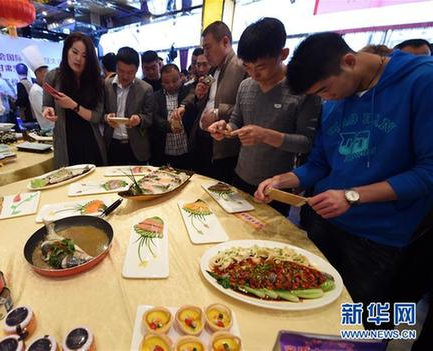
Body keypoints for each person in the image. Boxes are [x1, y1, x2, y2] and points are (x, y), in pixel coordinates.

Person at [254, 32, 433, 332]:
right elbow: (321, 164)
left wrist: (352, 196)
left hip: (376, 238)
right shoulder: (333, 101)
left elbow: (427, 173)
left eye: (325, 90)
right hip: (322, 223)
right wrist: (282, 180)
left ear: (348, 61)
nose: (325, 99)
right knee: (307, 314)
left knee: (354, 328)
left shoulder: (421, 81)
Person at [208, 18, 320, 216]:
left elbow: (306, 143)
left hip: (276, 185)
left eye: (260, 67)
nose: (253, 74)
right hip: (241, 176)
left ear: (283, 54)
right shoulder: (246, 86)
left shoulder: (303, 90)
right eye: (248, 67)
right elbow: (236, 121)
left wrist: (265, 135)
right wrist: (226, 129)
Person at [174, 21, 246, 182]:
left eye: (208, 47)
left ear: (225, 42)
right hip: (201, 139)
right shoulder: (213, 70)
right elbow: (195, 92)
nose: (205, 53)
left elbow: (247, 109)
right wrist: (188, 102)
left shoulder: (242, 67)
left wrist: (218, 112)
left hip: (223, 146)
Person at [43, 32, 107, 168]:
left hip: (91, 141)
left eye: (84, 56)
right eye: (74, 52)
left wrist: (73, 105)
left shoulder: (97, 82)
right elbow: (47, 105)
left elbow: (96, 117)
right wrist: (47, 111)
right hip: (65, 142)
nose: (78, 59)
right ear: (66, 51)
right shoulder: (53, 77)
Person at [101, 46, 154, 166]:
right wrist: (106, 117)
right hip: (111, 144)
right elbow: (99, 112)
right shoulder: (106, 85)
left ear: (137, 70)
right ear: (116, 67)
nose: (125, 76)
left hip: (135, 146)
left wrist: (139, 119)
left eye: (130, 73)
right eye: (121, 71)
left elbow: (149, 118)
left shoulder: (145, 89)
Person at [151, 64, 193, 169]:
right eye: (166, 82)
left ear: (181, 77)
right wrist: (169, 126)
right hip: (164, 148)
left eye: (174, 80)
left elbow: (193, 98)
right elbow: (155, 117)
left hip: (185, 147)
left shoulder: (188, 91)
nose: (171, 85)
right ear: (161, 82)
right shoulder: (156, 96)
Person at [21, 45, 53, 131]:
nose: (48, 77)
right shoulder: (36, 91)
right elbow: (46, 113)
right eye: (45, 73)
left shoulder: (42, 89)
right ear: (38, 73)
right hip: (48, 129)